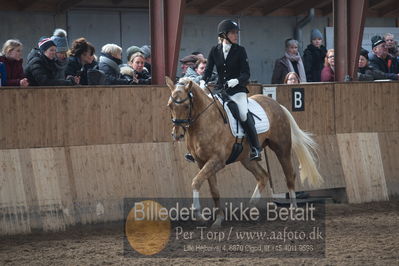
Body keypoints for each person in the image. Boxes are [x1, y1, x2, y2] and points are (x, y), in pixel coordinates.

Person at [202, 19, 262, 161]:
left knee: (242, 113)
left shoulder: (240, 50)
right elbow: (208, 70)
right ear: (224, 35)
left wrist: (237, 80)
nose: (236, 36)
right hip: (220, 90)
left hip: (237, 90)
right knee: (205, 111)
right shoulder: (214, 50)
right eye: (233, 33)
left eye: (236, 33)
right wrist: (203, 80)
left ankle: (255, 147)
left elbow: (246, 74)